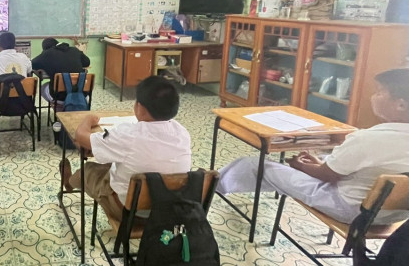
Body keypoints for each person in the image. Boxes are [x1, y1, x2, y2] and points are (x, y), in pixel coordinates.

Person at [216, 68, 409, 224]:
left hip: (348, 208)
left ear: (400, 105)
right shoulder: (378, 138)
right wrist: (321, 164)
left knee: (254, 165)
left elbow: (327, 176)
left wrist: (300, 166)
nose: (373, 96)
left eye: (379, 92)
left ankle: (210, 187)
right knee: (320, 162)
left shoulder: (367, 139)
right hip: (393, 217)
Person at [62, 76, 191, 221]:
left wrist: (88, 119)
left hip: (129, 211)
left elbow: (81, 136)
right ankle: (73, 181)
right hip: (170, 211)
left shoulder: (128, 135)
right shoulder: (182, 133)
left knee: (88, 170)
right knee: (118, 162)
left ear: (140, 108)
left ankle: (69, 183)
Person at [31, 38, 91, 102]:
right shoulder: (75, 50)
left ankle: (58, 105)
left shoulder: (47, 53)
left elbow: (32, 64)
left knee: (43, 87)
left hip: (60, 98)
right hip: (82, 95)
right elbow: (87, 62)